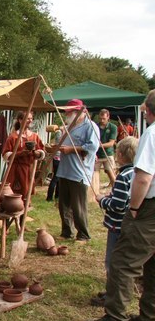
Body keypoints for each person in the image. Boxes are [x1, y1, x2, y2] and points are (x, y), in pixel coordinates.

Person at [85, 91, 155, 321]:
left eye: (145, 109)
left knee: (123, 264)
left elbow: (144, 178)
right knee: (152, 264)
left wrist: (134, 208)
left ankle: (115, 319)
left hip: (149, 209)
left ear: (148, 110)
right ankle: (150, 318)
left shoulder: (152, 133)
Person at [89, 137, 138, 306]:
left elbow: (117, 205)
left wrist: (102, 200)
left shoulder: (123, 177)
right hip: (129, 225)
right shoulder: (136, 174)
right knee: (122, 261)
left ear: (121, 155)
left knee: (112, 262)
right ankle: (113, 291)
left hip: (117, 226)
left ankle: (113, 295)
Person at [56, 99, 100, 243]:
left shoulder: (90, 126)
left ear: (79, 112)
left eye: (70, 112)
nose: (67, 115)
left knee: (78, 206)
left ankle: (83, 234)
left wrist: (72, 149)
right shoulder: (70, 126)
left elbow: (93, 147)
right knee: (64, 205)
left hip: (79, 171)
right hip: (64, 170)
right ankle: (67, 231)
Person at [1, 111, 45, 204]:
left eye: (31, 118)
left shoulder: (34, 136)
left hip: (28, 169)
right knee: (12, 194)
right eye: (27, 119)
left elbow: (41, 151)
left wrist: (37, 153)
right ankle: (12, 212)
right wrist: (20, 154)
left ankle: (22, 215)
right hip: (14, 169)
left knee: (26, 194)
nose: (30, 120)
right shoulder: (13, 137)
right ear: (20, 120)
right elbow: (5, 155)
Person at [95, 109, 118, 179]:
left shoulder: (113, 127)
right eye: (100, 118)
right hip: (97, 155)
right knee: (94, 175)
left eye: (104, 119)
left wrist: (98, 145)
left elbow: (111, 143)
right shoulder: (95, 126)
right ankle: (96, 190)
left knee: (112, 175)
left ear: (108, 117)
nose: (102, 120)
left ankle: (115, 189)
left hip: (108, 154)